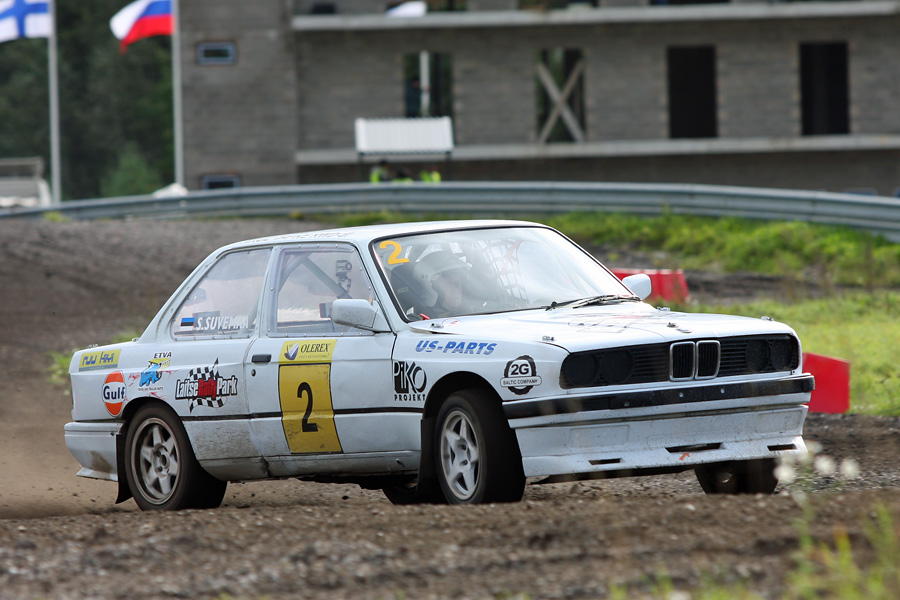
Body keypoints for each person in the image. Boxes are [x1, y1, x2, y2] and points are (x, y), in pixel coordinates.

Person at [412, 250, 470, 318]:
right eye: (448, 286)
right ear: (429, 288)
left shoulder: (474, 314)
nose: (455, 290)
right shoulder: (418, 322)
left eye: (457, 285)